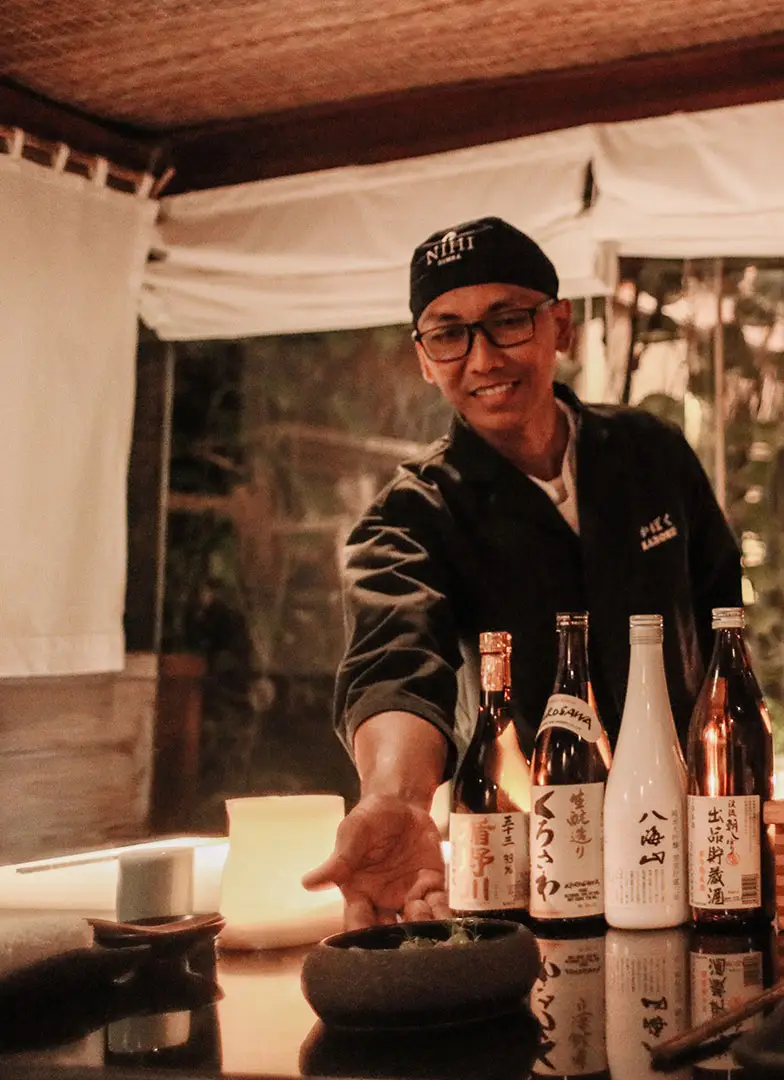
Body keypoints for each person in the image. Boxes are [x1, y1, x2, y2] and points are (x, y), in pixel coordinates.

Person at [304, 217, 742, 927]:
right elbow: (395, 660)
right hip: (536, 870)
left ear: (559, 325)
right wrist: (397, 798)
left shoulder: (651, 456)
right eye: (448, 334)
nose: (481, 359)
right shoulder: (412, 514)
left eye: (507, 321)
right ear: (423, 356)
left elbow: (724, 619)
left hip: (690, 855)